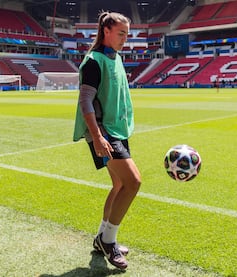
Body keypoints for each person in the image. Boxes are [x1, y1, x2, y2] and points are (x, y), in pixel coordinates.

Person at [73, 11, 141, 270]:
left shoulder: (117, 57)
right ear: (106, 32)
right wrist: (98, 136)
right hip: (103, 132)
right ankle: (108, 241)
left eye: (127, 33)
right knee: (133, 182)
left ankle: (101, 238)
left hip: (117, 130)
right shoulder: (93, 61)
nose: (126, 38)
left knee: (119, 185)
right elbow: (85, 101)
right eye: (121, 33)